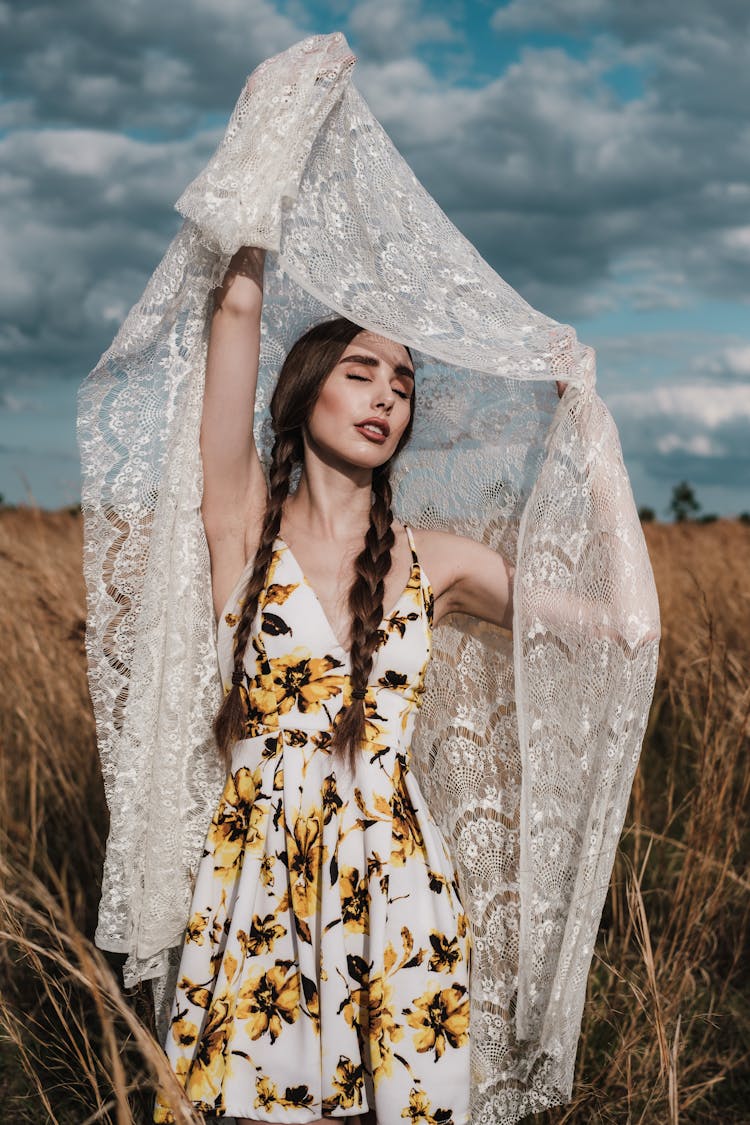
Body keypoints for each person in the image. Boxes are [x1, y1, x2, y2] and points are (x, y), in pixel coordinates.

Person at [152, 245, 516, 1125]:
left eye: (403, 379)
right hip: (260, 880)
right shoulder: (242, 527)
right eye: (362, 371)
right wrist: (271, 153)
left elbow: (621, 626)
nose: (389, 392)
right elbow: (235, 314)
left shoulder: (441, 560)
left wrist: (586, 415)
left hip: (395, 884)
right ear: (304, 389)